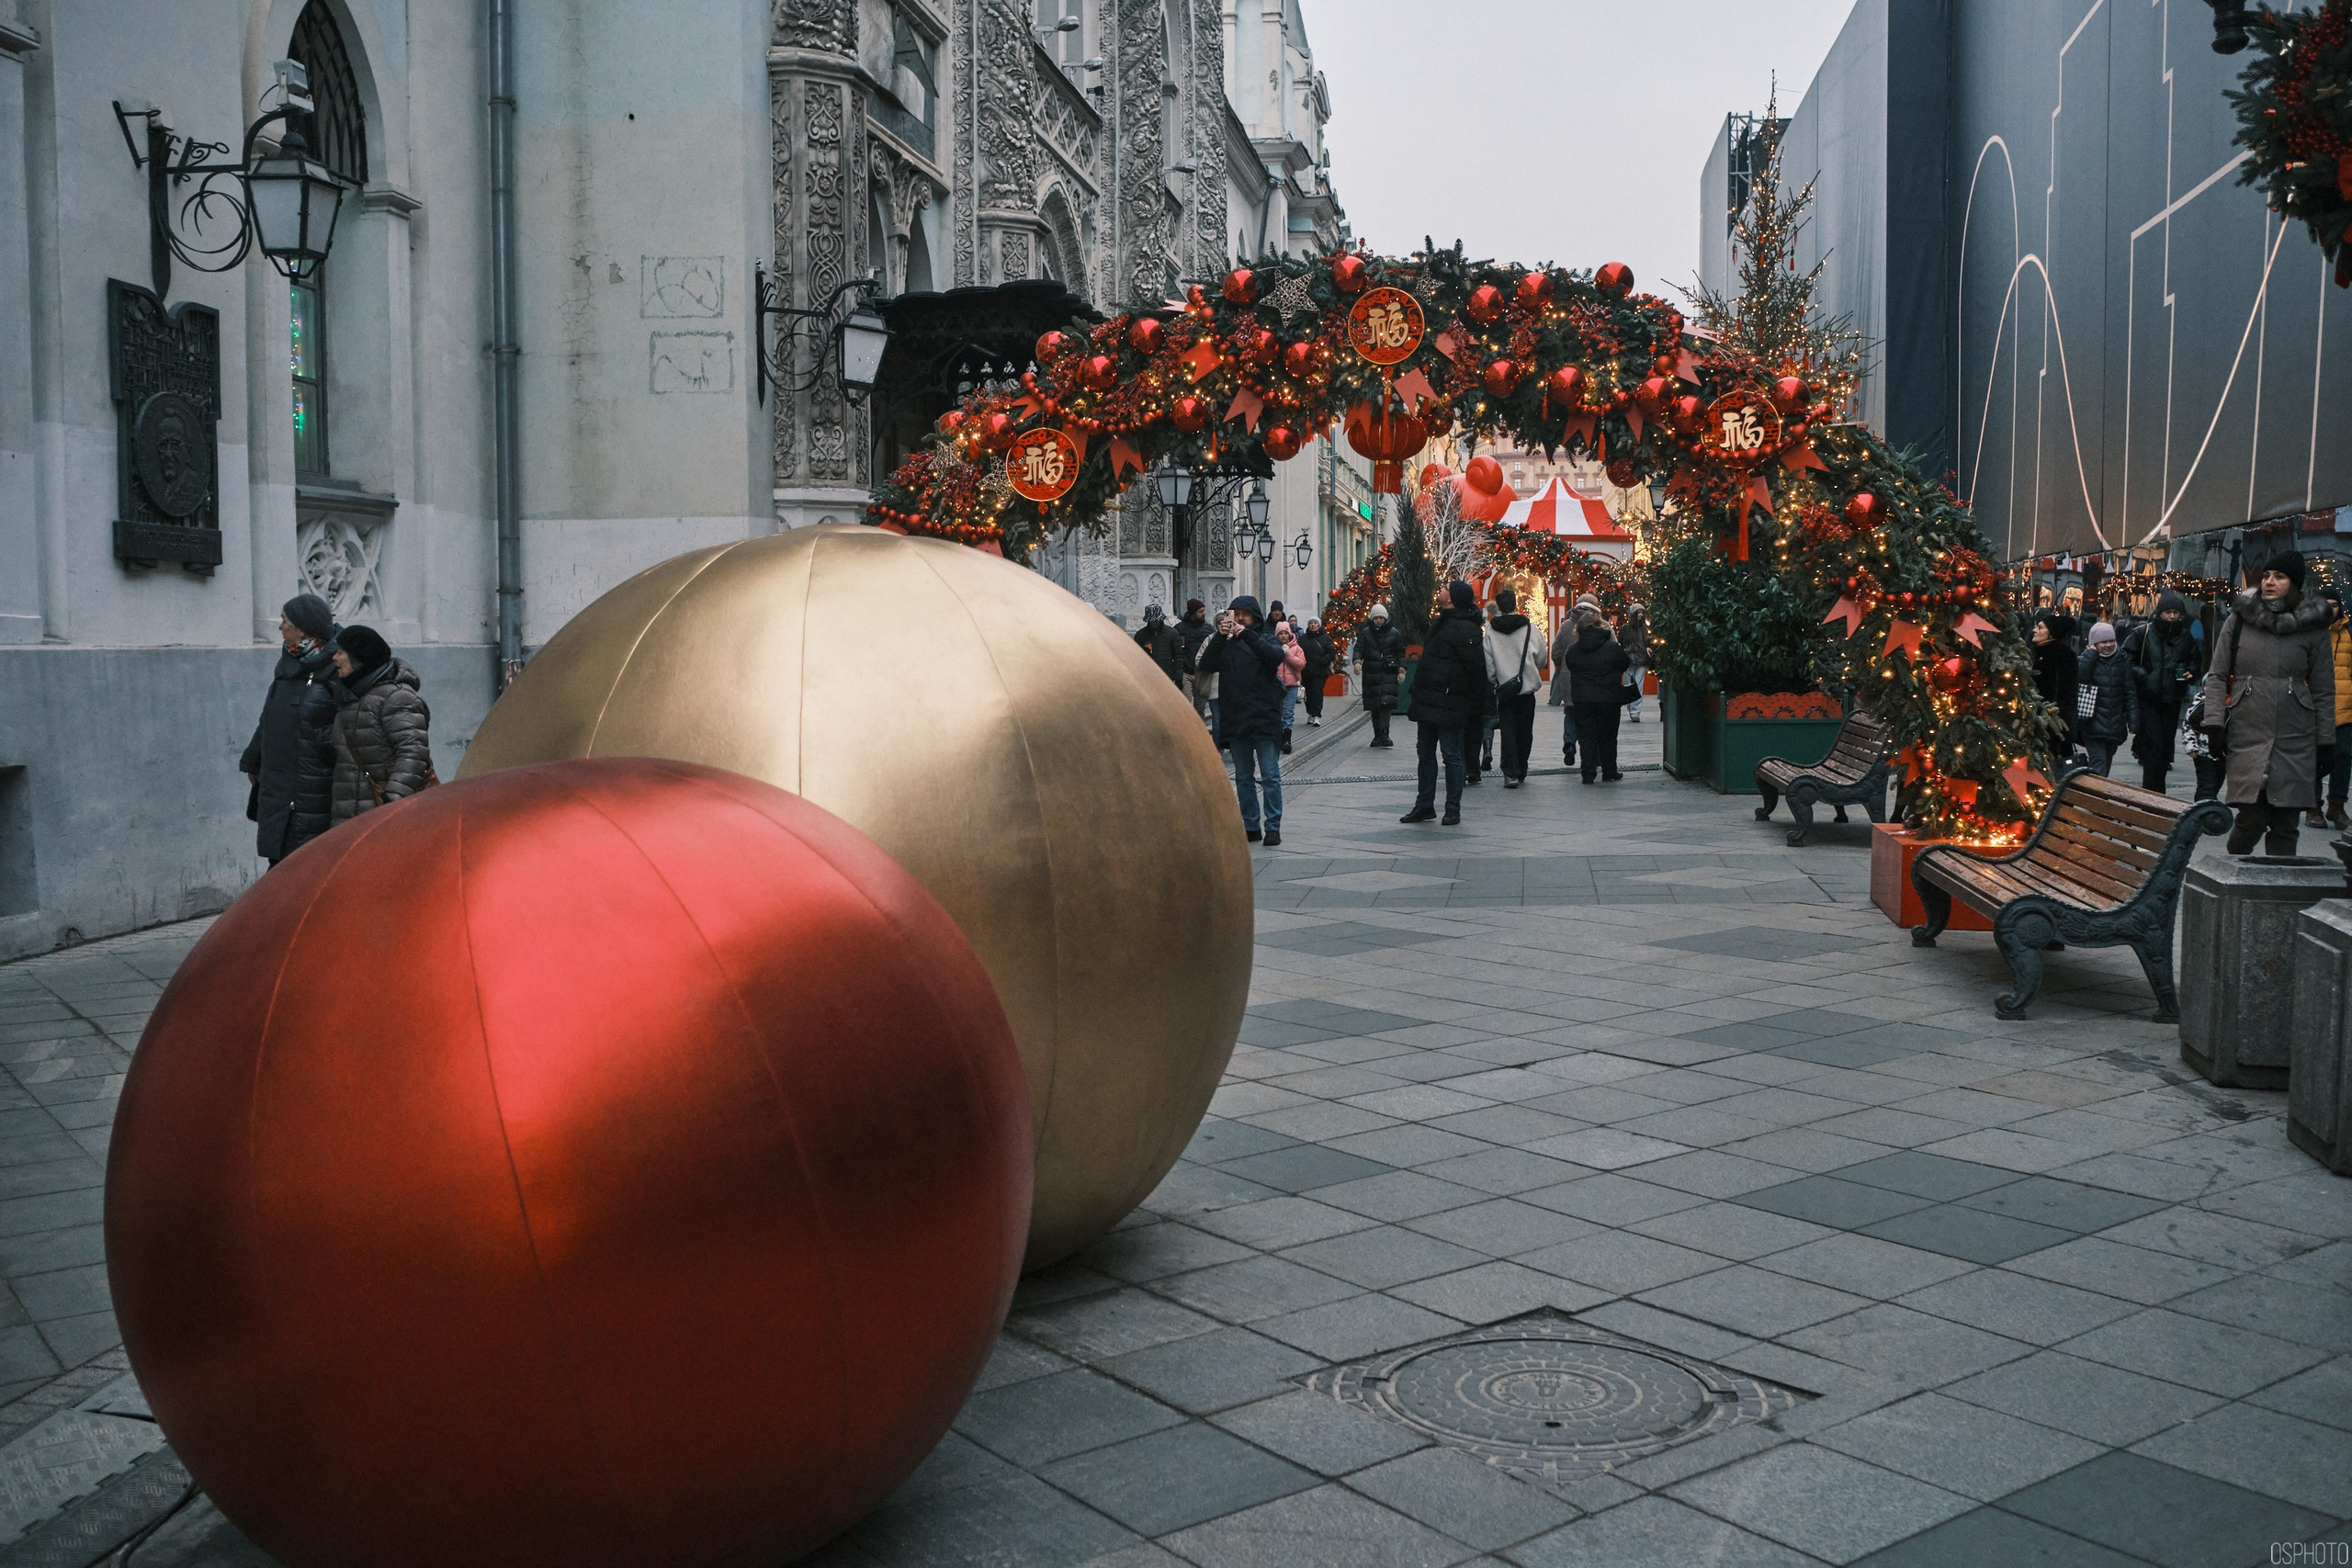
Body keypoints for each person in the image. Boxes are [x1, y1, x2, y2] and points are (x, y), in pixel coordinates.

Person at [2201, 554, 2335, 857]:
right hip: (2248, 729)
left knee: (2286, 824)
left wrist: (2326, 741)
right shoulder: (2239, 619)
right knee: (2252, 818)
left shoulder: (2313, 627)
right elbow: (2217, 675)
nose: (2269, 582)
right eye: (2266, 575)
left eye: (2280, 577)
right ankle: (2232, 878)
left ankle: (2279, 887)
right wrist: (2214, 723)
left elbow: (2324, 690)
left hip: (2296, 735)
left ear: (2295, 583)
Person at [239, 593, 340, 865]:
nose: (280, 627)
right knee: (281, 863)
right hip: (278, 786)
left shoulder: (336, 669)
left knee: (307, 864)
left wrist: (317, 742)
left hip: (313, 786)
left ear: (303, 629)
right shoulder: (287, 666)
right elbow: (269, 718)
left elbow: (349, 727)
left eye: (285, 621)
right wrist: (253, 759)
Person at [1198, 596, 1297, 846]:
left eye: (1245, 614)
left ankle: (1272, 826)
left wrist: (1248, 636)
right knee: (1243, 777)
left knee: (1270, 774)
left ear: (1255, 616)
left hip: (1264, 716)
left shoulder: (1264, 637)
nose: (1240, 618)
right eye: (1236, 613)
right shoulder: (1224, 642)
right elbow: (1207, 664)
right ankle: (1251, 825)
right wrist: (1220, 637)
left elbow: (1274, 657)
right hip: (1236, 717)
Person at [322, 625, 435, 824]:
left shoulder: (397, 697)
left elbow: (413, 752)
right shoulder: (350, 697)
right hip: (350, 816)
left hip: (385, 818)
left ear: (359, 658)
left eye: (341, 652)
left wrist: (392, 802)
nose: (334, 658)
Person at [1400, 581, 1488, 825]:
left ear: (1453, 599)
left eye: (1446, 589)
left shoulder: (1467, 630)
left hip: (1451, 701)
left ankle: (1452, 808)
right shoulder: (1439, 623)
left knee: (1451, 755)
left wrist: (1474, 706)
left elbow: (1476, 670)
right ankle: (1424, 805)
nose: (1440, 590)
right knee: (1425, 753)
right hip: (1428, 700)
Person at [2125, 589, 2204, 794]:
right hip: (2148, 699)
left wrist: (2191, 672)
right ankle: (2151, 793)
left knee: (2165, 748)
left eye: (2175, 613)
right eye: (2168, 612)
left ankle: (2157, 793)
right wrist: (2143, 675)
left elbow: (2196, 660)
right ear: (2159, 613)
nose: (2171, 616)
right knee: (2154, 747)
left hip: (2172, 699)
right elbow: (2126, 659)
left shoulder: (2185, 637)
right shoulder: (2143, 633)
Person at [1561, 608, 1633, 784]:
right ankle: (1609, 771)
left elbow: (1570, 665)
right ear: (1601, 626)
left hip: (1582, 698)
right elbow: (1624, 663)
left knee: (1586, 736)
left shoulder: (1574, 650)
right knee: (1608, 735)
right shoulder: (1612, 647)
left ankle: (1588, 773)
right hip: (1609, 698)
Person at [1484, 589, 1546, 788]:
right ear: (1515, 604)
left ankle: (1510, 772)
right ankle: (1522, 768)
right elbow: (1542, 657)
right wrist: (1531, 669)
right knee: (1525, 731)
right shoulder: (1530, 628)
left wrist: (1495, 678)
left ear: (1499, 607)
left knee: (1508, 731)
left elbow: (1489, 662)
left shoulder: (1491, 631)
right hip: (1526, 688)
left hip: (1505, 690)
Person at [2075, 621, 2137, 777]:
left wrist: (2133, 721)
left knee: (2106, 762)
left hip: (2115, 724)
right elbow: (2080, 678)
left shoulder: (2122, 660)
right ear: (2094, 644)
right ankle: (2094, 792)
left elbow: (2130, 691)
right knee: (2099, 762)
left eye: (2111, 641)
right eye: (2103, 642)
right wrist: (2091, 655)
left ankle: (2096, 790)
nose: (2108, 645)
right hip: (2092, 723)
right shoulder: (2086, 659)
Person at [2319, 583, 2350, 831]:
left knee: (2344, 756)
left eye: (2335, 605)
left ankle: (2337, 805)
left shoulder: (2349, 634)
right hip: (2315, 706)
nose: (2331, 610)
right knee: (2314, 759)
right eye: (2326, 605)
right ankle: (2312, 807)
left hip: (2345, 707)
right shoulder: (2308, 632)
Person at [2030, 611, 2081, 759]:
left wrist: (2059, 725)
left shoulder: (2063, 655)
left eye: (2040, 628)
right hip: (2036, 719)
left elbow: (2066, 693)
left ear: (2051, 633)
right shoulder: (2037, 652)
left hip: (2051, 724)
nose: (2035, 630)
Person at [1353, 604, 1405, 749]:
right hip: (1371, 673)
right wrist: (1357, 662)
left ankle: (1384, 733)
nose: (1379, 620)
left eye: (1381, 618)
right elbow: (1359, 649)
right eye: (1376, 618)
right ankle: (1377, 734)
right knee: (1374, 704)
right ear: (1372, 619)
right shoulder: (1365, 633)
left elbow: (1400, 653)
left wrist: (1401, 670)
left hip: (1388, 672)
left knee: (1386, 703)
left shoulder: (1394, 633)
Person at [1175, 599, 1216, 725]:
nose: (1203, 613)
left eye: (1204, 610)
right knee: (1185, 704)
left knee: (1200, 707)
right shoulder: (1180, 629)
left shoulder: (1208, 629)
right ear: (1193, 613)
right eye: (1200, 611)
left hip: (1202, 673)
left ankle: (1199, 729)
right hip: (1186, 671)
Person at [1549, 610, 1580, 770]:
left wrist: (1559, 664)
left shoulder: (1566, 626)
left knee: (1570, 712)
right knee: (1589, 717)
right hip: (1591, 680)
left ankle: (1569, 743)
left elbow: (1556, 651)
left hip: (1568, 675)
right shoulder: (1598, 624)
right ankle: (1590, 755)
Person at [1133, 604, 1184, 687]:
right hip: (1147, 676)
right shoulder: (1141, 635)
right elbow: (1136, 657)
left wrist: (1178, 678)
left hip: (1167, 675)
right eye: (1152, 621)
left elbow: (1178, 656)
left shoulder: (1172, 633)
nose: (1155, 623)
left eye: (1157, 621)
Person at [1274, 616, 1305, 754]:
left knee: (1288, 712)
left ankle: (1287, 740)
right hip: (1276, 685)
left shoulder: (1296, 648)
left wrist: (1288, 655)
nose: (1283, 636)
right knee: (1278, 712)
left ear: (1290, 634)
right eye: (1280, 633)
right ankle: (1279, 739)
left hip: (1291, 685)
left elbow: (1301, 664)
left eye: (1285, 633)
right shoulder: (1273, 648)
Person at [1299, 617, 1336, 727]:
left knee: (1317, 693)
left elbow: (1331, 652)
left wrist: (1323, 660)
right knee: (1307, 695)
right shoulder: (1303, 638)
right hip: (1306, 671)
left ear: (1319, 625)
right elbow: (1299, 651)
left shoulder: (1325, 638)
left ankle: (1317, 715)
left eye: (1315, 623)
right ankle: (1310, 713)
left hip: (1319, 672)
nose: (1313, 625)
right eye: (1311, 623)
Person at [1620, 601, 1651, 722]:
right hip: (1630, 660)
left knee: (1638, 685)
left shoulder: (1644, 629)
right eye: (1638, 612)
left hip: (1639, 659)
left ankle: (1635, 711)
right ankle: (1632, 709)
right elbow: (1621, 643)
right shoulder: (1626, 629)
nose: (1641, 615)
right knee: (1630, 684)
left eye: (1642, 612)